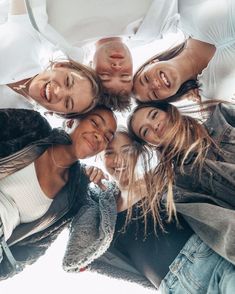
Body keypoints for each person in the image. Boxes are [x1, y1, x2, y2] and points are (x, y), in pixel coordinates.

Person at [63, 129, 235, 293]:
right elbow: (77, 252)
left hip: (209, 260)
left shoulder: (156, 179)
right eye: (109, 153)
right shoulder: (101, 208)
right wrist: (83, 180)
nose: (119, 159)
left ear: (138, 153)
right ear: (99, 158)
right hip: (173, 287)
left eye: (127, 151)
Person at [0, 105, 117, 278]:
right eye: (95, 122)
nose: (99, 135)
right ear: (71, 121)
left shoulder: (72, 197)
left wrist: (94, 185)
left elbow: (31, 251)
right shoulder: (34, 127)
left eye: (107, 137)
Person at [127, 100, 235, 265]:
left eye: (154, 115)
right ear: (150, 144)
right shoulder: (178, 188)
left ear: (168, 110)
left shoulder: (221, 117)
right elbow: (226, 230)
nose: (154, 126)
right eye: (145, 131)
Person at [23, 0, 179, 108]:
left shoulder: (61, 36)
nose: (117, 67)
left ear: (90, 67)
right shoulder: (156, 25)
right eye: (125, 76)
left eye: (105, 75)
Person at [0, 0, 101, 114]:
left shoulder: (18, 116)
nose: (58, 92)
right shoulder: (31, 37)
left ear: (60, 113)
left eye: (67, 103)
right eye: (67, 81)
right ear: (61, 65)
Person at [133, 0, 235, 103]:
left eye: (145, 79)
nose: (155, 85)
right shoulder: (213, 92)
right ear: (167, 98)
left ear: (152, 62)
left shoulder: (185, 14)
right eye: (154, 94)